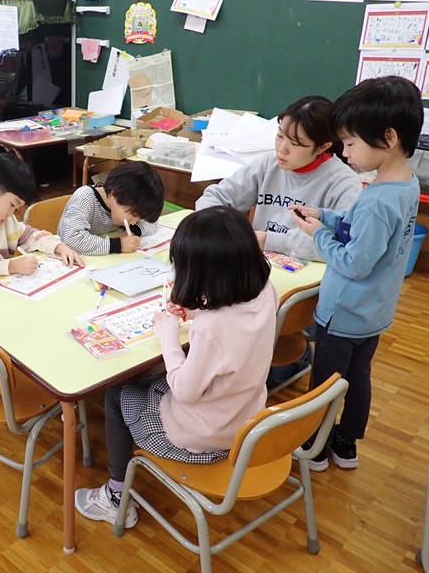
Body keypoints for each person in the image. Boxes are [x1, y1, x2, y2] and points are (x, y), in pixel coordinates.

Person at [75, 206, 278, 528]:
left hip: (204, 437)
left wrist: (169, 336)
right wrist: (196, 309)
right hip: (245, 417)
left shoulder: (212, 328)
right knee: (149, 381)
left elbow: (184, 391)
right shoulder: (265, 291)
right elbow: (233, 327)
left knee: (116, 395)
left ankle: (115, 497)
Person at [291, 76, 422, 472]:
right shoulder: (405, 185)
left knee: (325, 383)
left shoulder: (377, 201)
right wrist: (325, 215)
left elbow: (353, 262)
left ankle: (315, 447)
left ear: (388, 138)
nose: (344, 153)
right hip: (374, 311)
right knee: (358, 378)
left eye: (349, 144)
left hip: (343, 314)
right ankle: (346, 445)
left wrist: (318, 234)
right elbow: (359, 229)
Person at [195, 95, 362, 262]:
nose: (282, 149)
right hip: (258, 262)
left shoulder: (344, 182)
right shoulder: (269, 163)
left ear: (322, 147)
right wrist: (216, 225)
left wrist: (266, 240)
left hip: (307, 272)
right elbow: (214, 197)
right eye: (280, 136)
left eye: (295, 143)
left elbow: (344, 244)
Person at [57, 161, 164, 255]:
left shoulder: (128, 204)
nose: (133, 222)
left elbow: (152, 222)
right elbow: (72, 239)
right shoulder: (85, 198)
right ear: (115, 194)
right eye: (134, 214)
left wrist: (134, 231)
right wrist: (118, 245)